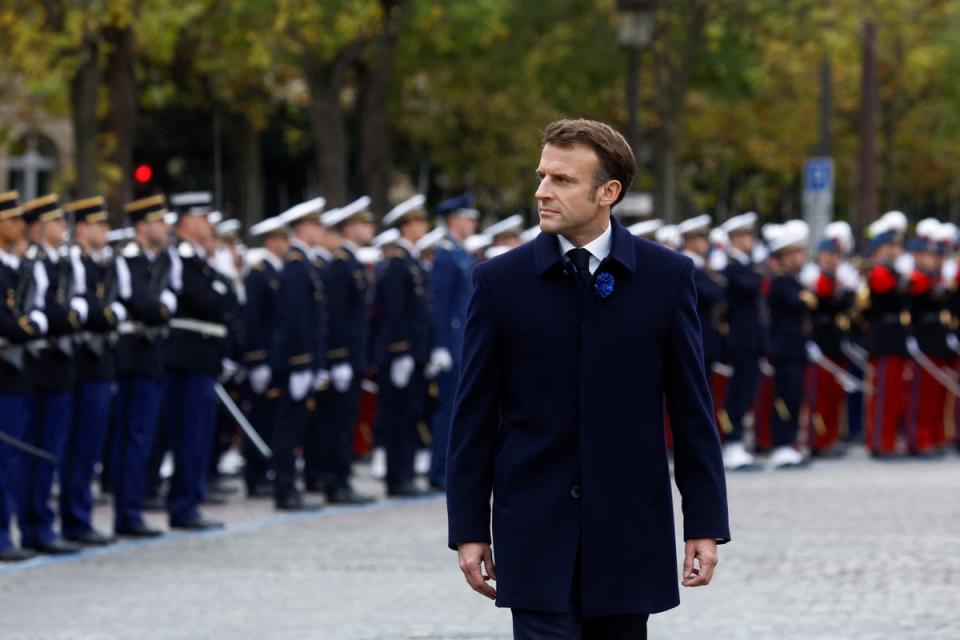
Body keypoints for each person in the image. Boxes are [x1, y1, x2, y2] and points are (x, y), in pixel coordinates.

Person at [446, 119, 730, 639]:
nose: (542, 191)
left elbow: (692, 411)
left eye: (561, 180)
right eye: (541, 176)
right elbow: (474, 418)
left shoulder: (666, 278)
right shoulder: (499, 282)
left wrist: (705, 523)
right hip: (533, 529)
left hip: (628, 532)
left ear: (608, 192)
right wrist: (467, 528)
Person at [18, 194, 82, 555]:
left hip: (60, 367)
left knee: (52, 451)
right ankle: (34, 525)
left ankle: (42, 523)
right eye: (55, 222)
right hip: (39, 368)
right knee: (35, 452)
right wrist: (67, 317)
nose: (62, 228)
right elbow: (54, 314)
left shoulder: (62, 262)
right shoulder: (33, 263)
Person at [60, 196, 125, 545]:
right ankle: (74, 518)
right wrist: (108, 314)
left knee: (90, 445)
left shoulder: (99, 263)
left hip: (100, 363)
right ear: (83, 227)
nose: (106, 231)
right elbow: (97, 313)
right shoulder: (76, 263)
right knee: (79, 445)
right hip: (84, 364)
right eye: (100, 224)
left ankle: (79, 515)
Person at [112, 195, 176, 538]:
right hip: (132, 357)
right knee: (132, 437)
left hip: (153, 355)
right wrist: (162, 307)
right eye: (159, 222)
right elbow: (143, 304)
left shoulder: (163, 260)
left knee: (143, 437)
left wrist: (162, 307)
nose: (165, 228)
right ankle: (127, 511)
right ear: (142, 226)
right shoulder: (130, 259)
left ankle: (133, 507)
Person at [312, 197, 377, 504]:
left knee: (345, 421)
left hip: (352, 356)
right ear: (350, 228)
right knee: (337, 423)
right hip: (343, 357)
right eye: (364, 223)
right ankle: (335, 483)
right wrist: (336, 358)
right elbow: (335, 316)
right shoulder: (341, 265)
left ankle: (341, 479)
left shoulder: (349, 262)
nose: (370, 228)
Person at [372, 194, 433, 497]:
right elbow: (394, 311)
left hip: (413, 352)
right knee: (398, 415)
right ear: (406, 226)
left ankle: (404, 474)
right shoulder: (398, 262)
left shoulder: (411, 259)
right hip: (401, 353)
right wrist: (400, 351)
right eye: (419, 221)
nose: (424, 226)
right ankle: (398, 478)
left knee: (409, 414)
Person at [0, 191, 47, 562]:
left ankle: (8, 530)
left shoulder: (17, 267)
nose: (20, 225)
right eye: (13, 218)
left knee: (13, 458)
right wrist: (23, 327)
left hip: (17, 372)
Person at [272, 197, 327, 511]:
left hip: (303, 361)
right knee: (287, 428)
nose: (321, 230)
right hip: (295, 361)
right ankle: (285, 489)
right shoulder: (295, 265)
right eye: (316, 224)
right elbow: (294, 319)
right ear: (303, 228)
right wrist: (302, 362)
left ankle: (290, 486)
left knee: (295, 427)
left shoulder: (303, 262)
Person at [427, 194, 478, 491]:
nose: (472, 223)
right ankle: (439, 471)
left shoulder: (461, 253)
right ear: (454, 219)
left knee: (460, 413)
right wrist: (440, 345)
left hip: (463, 343)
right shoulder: (445, 255)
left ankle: (452, 470)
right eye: (468, 217)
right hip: (451, 345)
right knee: (448, 412)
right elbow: (440, 305)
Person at [241, 215, 289, 498]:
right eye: (282, 238)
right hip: (265, 358)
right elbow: (253, 320)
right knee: (260, 417)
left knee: (272, 417)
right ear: (270, 241)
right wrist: (257, 359)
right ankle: (254, 476)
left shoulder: (278, 272)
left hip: (277, 357)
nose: (287, 244)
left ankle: (266, 471)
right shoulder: (259, 273)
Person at [718, 211, 766, 470]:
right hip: (739, 339)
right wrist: (758, 271)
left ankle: (737, 442)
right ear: (735, 239)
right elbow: (752, 286)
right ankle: (732, 441)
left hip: (751, 339)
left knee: (748, 390)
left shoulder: (746, 266)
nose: (751, 240)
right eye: (746, 235)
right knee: (737, 393)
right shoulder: (733, 267)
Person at [764, 220, 813, 469]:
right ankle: (781, 443)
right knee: (784, 397)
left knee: (794, 396)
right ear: (784, 257)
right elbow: (800, 303)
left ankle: (790, 441)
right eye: (796, 253)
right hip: (784, 348)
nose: (801, 258)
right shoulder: (781, 282)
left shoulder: (793, 281)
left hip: (795, 348)